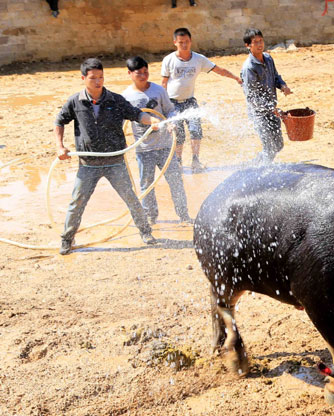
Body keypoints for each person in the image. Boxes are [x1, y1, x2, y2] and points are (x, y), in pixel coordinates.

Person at [55, 58, 161, 255]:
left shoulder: (115, 100)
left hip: (115, 162)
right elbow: (60, 121)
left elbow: (137, 114)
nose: (98, 82)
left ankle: (145, 232)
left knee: (130, 198)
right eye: (93, 78)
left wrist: (152, 121)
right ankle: (67, 239)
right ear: (83, 78)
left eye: (101, 77)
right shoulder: (75, 102)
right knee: (77, 202)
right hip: (88, 164)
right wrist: (60, 146)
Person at [122, 56, 193, 225]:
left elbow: (170, 110)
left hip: (165, 146)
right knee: (146, 185)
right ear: (129, 74)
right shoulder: (125, 97)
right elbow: (122, 122)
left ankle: (184, 216)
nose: (143, 76)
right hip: (144, 149)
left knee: (176, 181)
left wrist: (170, 122)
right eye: (139, 73)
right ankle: (150, 218)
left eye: (145, 72)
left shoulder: (158, 91)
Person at [161, 27, 242, 171]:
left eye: (186, 42)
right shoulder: (168, 60)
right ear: (175, 43)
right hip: (172, 103)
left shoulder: (199, 59)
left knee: (196, 130)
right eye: (181, 42)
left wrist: (235, 77)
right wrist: (164, 105)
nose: (184, 45)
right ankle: (178, 161)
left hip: (190, 101)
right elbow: (164, 83)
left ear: (191, 41)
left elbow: (218, 70)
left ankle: (195, 160)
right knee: (178, 134)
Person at [241, 28, 292, 164]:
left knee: (278, 145)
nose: (259, 44)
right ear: (248, 45)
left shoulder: (268, 58)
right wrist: (271, 108)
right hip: (259, 114)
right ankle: (262, 170)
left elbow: (275, 76)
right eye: (255, 42)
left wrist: (283, 86)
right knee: (269, 148)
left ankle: (254, 164)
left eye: (261, 41)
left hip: (272, 110)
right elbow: (252, 97)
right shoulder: (249, 68)